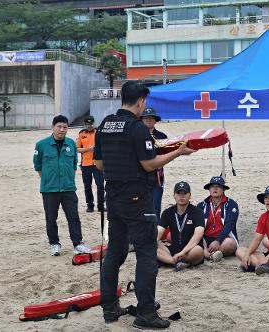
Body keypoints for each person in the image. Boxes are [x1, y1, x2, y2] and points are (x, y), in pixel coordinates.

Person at [94, 81, 196, 329]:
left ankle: (109, 308)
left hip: (114, 198)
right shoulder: (137, 128)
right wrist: (178, 152)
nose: (145, 107)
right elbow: (150, 164)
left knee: (114, 253)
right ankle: (146, 314)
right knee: (147, 254)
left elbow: (98, 164)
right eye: (145, 103)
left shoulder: (105, 125)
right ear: (140, 101)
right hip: (138, 199)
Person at [33, 115, 91, 257]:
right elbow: (38, 165)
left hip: (68, 189)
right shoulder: (41, 145)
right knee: (51, 218)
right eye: (59, 126)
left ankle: (78, 244)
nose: (62, 129)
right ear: (53, 127)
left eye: (65, 127)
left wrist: (68, 179)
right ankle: (54, 244)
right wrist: (48, 180)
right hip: (49, 189)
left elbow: (73, 165)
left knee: (73, 217)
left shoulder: (71, 143)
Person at [157, 181, 205, 271]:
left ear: (190, 195)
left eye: (184, 193)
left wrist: (183, 252)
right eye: (179, 193)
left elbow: (198, 235)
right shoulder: (168, 212)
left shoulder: (197, 212)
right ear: (174, 195)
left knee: (198, 250)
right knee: (152, 244)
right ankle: (175, 262)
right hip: (173, 250)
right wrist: (153, 241)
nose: (181, 196)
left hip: (191, 250)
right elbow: (159, 230)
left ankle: (173, 261)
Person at [197, 176, 239, 262]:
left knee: (230, 243)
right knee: (195, 238)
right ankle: (209, 254)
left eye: (218, 186)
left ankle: (209, 255)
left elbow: (229, 225)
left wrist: (218, 241)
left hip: (224, 238)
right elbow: (198, 227)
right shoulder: (201, 205)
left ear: (223, 189)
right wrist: (204, 247)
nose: (215, 188)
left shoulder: (231, 204)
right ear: (209, 189)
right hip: (205, 238)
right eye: (212, 186)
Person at [140, 108, 167, 222]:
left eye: (151, 118)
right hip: (140, 176)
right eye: (146, 118)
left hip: (157, 176)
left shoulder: (162, 136)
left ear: (155, 120)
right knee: (140, 207)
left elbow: (167, 155)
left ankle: (156, 233)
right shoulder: (137, 136)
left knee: (156, 206)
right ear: (141, 120)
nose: (149, 120)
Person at [76, 115, 104, 213]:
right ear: (84, 124)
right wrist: (87, 149)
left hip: (97, 163)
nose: (89, 126)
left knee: (100, 185)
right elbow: (77, 149)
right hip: (85, 164)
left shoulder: (98, 132)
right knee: (87, 186)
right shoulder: (81, 134)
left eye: (91, 124)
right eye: (87, 124)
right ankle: (90, 205)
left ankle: (101, 205)